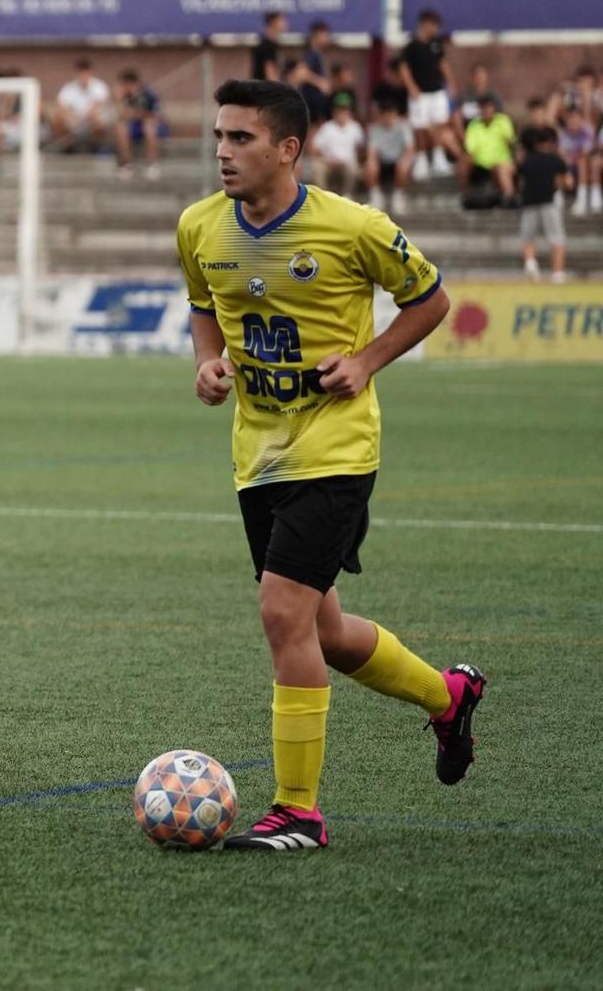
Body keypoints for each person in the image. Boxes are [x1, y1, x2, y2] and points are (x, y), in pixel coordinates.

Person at [177, 78, 483, 852]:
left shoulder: (353, 227)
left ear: (288, 148)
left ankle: (298, 811)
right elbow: (204, 309)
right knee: (325, 628)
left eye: (241, 138)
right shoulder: (199, 227)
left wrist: (370, 360)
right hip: (259, 453)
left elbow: (432, 299)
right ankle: (447, 696)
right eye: (219, 135)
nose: (223, 151)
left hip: (337, 448)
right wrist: (208, 366)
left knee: (282, 612)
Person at [399, 10, 459, 180]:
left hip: (437, 92)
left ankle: (439, 158)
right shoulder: (411, 46)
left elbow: (443, 65)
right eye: (434, 26)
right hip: (420, 95)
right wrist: (411, 88)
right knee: (421, 128)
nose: (436, 30)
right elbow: (404, 69)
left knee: (439, 124)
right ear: (425, 24)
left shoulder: (436, 44)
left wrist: (451, 84)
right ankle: (422, 159)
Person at [517, 125, 572, 283]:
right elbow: (567, 182)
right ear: (551, 142)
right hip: (549, 202)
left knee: (527, 238)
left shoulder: (527, 160)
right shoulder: (555, 159)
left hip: (529, 203)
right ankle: (558, 274)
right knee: (557, 239)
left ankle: (531, 263)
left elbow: (521, 182)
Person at [363, 96, 416, 215]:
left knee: (404, 164)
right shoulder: (374, 129)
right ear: (380, 116)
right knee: (370, 164)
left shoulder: (403, 127)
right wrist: (372, 161)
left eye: (391, 114)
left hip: (399, 161)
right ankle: (375, 196)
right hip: (382, 162)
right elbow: (372, 151)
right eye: (385, 115)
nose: (388, 118)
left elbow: (410, 149)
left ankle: (399, 196)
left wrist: (404, 160)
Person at [461, 95, 517, 204]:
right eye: (484, 108)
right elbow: (470, 149)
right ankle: (465, 195)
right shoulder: (474, 125)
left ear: (494, 109)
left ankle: (509, 197)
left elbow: (511, 142)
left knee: (501, 168)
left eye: (489, 108)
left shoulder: (503, 121)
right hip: (481, 164)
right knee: (463, 162)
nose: (487, 111)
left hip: (502, 162)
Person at [309, 97, 365, 195]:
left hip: (347, 162)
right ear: (334, 112)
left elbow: (361, 148)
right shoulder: (327, 127)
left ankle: (348, 194)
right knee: (317, 168)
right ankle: (323, 196)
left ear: (350, 112)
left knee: (353, 168)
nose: (342, 114)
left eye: (345, 110)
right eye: (339, 111)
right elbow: (315, 147)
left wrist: (356, 159)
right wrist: (328, 159)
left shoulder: (355, 127)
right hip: (328, 161)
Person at [114, 68, 163, 180]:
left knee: (148, 127)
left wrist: (137, 114)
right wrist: (119, 101)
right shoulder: (124, 96)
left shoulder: (148, 94)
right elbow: (121, 115)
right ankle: (126, 165)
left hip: (150, 126)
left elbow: (156, 115)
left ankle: (152, 165)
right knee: (121, 128)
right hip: (133, 127)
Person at [53, 58, 111, 150]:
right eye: (81, 72)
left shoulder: (99, 86)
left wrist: (87, 116)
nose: (84, 76)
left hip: (91, 120)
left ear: (91, 72)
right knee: (58, 116)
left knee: (95, 116)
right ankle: (67, 147)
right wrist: (71, 116)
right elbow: (61, 104)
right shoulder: (69, 87)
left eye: (86, 72)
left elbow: (99, 105)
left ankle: (97, 146)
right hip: (75, 119)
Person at [251, 11, 286, 83]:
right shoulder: (266, 46)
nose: (284, 23)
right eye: (281, 20)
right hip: (263, 91)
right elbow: (270, 74)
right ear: (273, 22)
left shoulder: (274, 45)